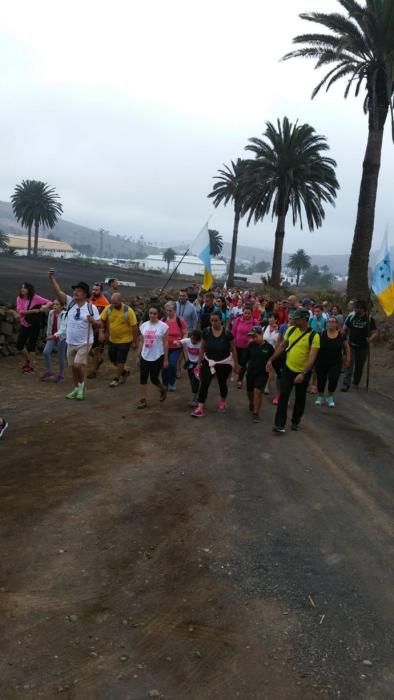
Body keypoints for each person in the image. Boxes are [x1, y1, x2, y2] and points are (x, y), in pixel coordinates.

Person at [267, 308, 320, 434]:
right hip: (288, 368)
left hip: (303, 372)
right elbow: (282, 346)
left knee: (300, 398)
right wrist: (271, 359)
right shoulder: (290, 330)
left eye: (296, 319)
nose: (293, 321)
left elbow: (312, 358)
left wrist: (303, 373)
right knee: (283, 395)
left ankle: (296, 421)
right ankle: (279, 424)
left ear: (304, 320)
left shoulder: (314, 336)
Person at [48, 272, 100, 400]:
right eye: (75, 290)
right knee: (72, 368)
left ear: (85, 294)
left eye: (79, 290)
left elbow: (100, 323)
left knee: (77, 365)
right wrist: (52, 278)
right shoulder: (70, 303)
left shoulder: (91, 308)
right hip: (70, 341)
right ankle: (76, 389)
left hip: (85, 342)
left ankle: (81, 387)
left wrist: (93, 321)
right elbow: (58, 292)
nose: (75, 292)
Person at [191, 311, 239, 418]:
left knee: (222, 383)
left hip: (224, 362)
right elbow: (202, 348)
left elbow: (233, 349)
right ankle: (200, 406)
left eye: (216, 320)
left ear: (221, 320)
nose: (213, 323)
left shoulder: (227, 334)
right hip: (209, 361)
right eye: (211, 320)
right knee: (205, 383)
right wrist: (198, 364)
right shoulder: (206, 332)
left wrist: (236, 364)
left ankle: (222, 401)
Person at [99, 293, 138, 387]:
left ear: (121, 301)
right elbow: (101, 320)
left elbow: (134, 327)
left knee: (121, 360)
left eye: (115, 303)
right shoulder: (109, 309)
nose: (113, 305)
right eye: (112, 303)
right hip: (112, 340)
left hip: (125, 340)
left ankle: (116, 378)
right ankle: (124, 372)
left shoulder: (128, 311)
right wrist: (102, 332)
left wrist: (134, 342)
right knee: (112, 358)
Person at [341, 300, 378, 391]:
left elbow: (375, 332)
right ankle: (346, 384)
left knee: (359, 366)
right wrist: (343, 339)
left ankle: (356, 382)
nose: (356, 310)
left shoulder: (369, 319)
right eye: (355, 308)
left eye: (358, 308)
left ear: (363, 309)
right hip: (351, 345)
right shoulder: (352, 317)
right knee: (349, 365)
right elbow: (345, 329)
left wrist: (371, 338)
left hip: (363, 347)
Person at [136, 306, 168, 409]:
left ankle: (162, 388)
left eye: (154, 313)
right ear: (148, 314)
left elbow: (166, 343)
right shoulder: (143, 326)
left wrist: (166, 359)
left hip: (158, 355)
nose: (152, 315)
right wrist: (138, 356)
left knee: (154, 378)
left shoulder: (163, 326)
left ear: (158, 314)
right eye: (150, 313)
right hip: (145, 355)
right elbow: (141, 341)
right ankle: (143, 400)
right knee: (143, 378)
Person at [16, 283, 52, 373]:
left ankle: (30, 366)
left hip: (35, 324)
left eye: (25, 288)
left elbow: (49, 302)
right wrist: (33, 311)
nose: (22, 290)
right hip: (25, 323)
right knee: (19, 345)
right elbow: (20, 311)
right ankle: (28, 359)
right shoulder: (19, 298)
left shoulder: (35, 297)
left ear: (29, 289)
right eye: (22, 288)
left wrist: (44, 307)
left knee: (31, 346)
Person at [315, 317, 351, 407]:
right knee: (321, 379)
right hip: (321, 361)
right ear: (326, 323)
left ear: (336, 324)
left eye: (333, 322)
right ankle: (320, 396)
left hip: (336, 362)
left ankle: (330, 396)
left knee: (333, 379)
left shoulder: (341, 335)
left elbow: (347, 347)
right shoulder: (321, 334)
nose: (330, 323)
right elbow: (315, 348)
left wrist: (348, 359)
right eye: (329, 322)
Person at [244, 326, 275, 423]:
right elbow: (244, 359)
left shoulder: (269, 348)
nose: (253, 339)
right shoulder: (251, 345)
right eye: (252, 337)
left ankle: (256, 413)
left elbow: (273, 360)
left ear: (261, 334)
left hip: (262, 374)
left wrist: (273, 368)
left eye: (255, 336)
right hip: (251, 372)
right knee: (250, 392)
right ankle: (251, 403)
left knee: (258, 392)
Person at [161, 301, 187, 391]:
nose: (168, 312)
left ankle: (172, 382)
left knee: (172, 364)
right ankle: (165, 383)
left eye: (170, 310)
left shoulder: (180, 321)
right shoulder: (163, 320)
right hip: (164, 347)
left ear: (175, 310)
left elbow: (185, 333)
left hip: (176, 348)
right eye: (167, 310)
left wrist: (181, 341)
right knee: (164, 366)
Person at [41, 299, 67, 383]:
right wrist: (48, 334)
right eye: (54, 304)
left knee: (60, 357)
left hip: (62, 337)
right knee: (46, 352)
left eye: (57, 304)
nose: (54, 306)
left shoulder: (65, 315)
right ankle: (49, 372)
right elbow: (49, 324)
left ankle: (61, 375)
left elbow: (63, 329)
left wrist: (53, 336)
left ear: (62, 306)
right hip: (52, 336)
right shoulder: (51, 313)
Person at [87, 283, 109, 379]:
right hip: (90, 328)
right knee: (88, 349)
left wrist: (103, 331)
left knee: (96, 350)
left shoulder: (105, 303)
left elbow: (106, 319)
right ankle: (99, 360)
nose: (94, 291)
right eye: (93, 289)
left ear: (101, 291)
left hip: (99, 329)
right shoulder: (91, 299)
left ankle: (93, 371)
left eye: (96, 290)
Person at [232, 304, 255, 389]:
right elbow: (233, 332)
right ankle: (235, 374)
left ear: (251, 314)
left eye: (249, 313)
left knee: (243, 363)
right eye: (245, 313)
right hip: (236, 345)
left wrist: (252, 340)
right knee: (236, 361)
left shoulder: (254, 323)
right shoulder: (237, 320)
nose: (247, 315)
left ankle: (240, 380)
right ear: (243, 312)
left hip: (247, 347)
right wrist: (232, 343)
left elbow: (256, 334)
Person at [177, 329, 202, 406]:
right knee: (192, 380)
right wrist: (177, 343)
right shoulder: (187, 341)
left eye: (195, 340)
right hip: (190, 363)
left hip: (199, 364)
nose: (193, 341)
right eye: (192, 339)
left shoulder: (202, 344)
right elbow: (179, 342)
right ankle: (197, 395)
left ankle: (194, 400)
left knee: (195, 380)